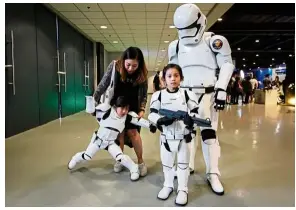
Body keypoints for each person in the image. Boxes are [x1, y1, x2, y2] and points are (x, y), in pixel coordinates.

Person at [167, 4, 235, 195]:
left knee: (209, 135)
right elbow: (173, 71)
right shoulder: (176, 45)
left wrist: (221, 89)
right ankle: (186, 166)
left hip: (208, 94)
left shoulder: (214, 41)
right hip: (185, 94)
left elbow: (226, 65)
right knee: (186, 134)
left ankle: (213, 172)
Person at [68, 96, 156, 181]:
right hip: (99, 140)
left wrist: (150, 126)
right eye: (122, 108)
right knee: (87, 156)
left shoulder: (127, 116)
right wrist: (90, 100)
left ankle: (134, 168)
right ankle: (75, 158)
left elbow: (138, 121)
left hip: (111, 143)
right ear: (116, 106)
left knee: (120, 157)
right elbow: (92, 111)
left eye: (126, 108)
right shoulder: (107, 110)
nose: (124, 111)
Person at [148, 64, 200, 206]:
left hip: (183, 136)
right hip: (166, 137)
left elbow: (196, 113)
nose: (173, 79)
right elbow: (151, 114)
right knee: (167, 164)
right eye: (169, 76)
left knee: (183, 165)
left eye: (176, 75)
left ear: (181, 78)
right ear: (164, 79)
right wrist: (160, 120)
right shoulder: (158, 95)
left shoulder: (188, 94)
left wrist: (191, 121)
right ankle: (168, 185)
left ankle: (183, 189)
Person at [93, 47, 149, 177]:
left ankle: (140, 162)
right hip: (116, 106)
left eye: (134, 65)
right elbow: (103, 85)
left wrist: (142, 109)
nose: (130, 68)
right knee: (119, 134)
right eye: (128, 65)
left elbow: (144, 93)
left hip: (132, 107)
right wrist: (93, 102)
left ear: (139, 64)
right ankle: (120, 160)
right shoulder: (115, 66)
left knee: (133, 133)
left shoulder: (142, 72)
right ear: (123, 60)